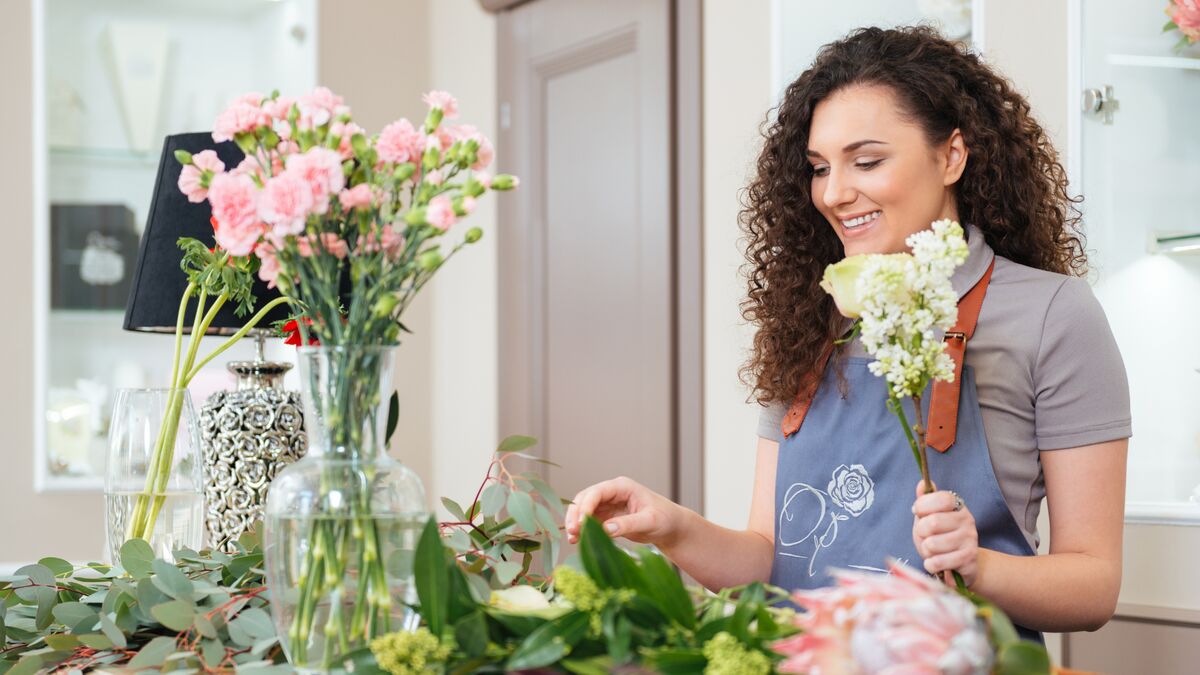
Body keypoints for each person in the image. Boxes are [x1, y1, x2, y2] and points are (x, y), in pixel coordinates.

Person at [563, 25, 1130, 636]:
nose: (834, 193)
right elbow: (773, 560)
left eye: (866, 161)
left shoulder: (1052, 315)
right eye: (817, 167)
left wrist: (977, 568)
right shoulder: (812, 317)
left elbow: (1092, 584)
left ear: (951, 157)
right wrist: (671, 527)